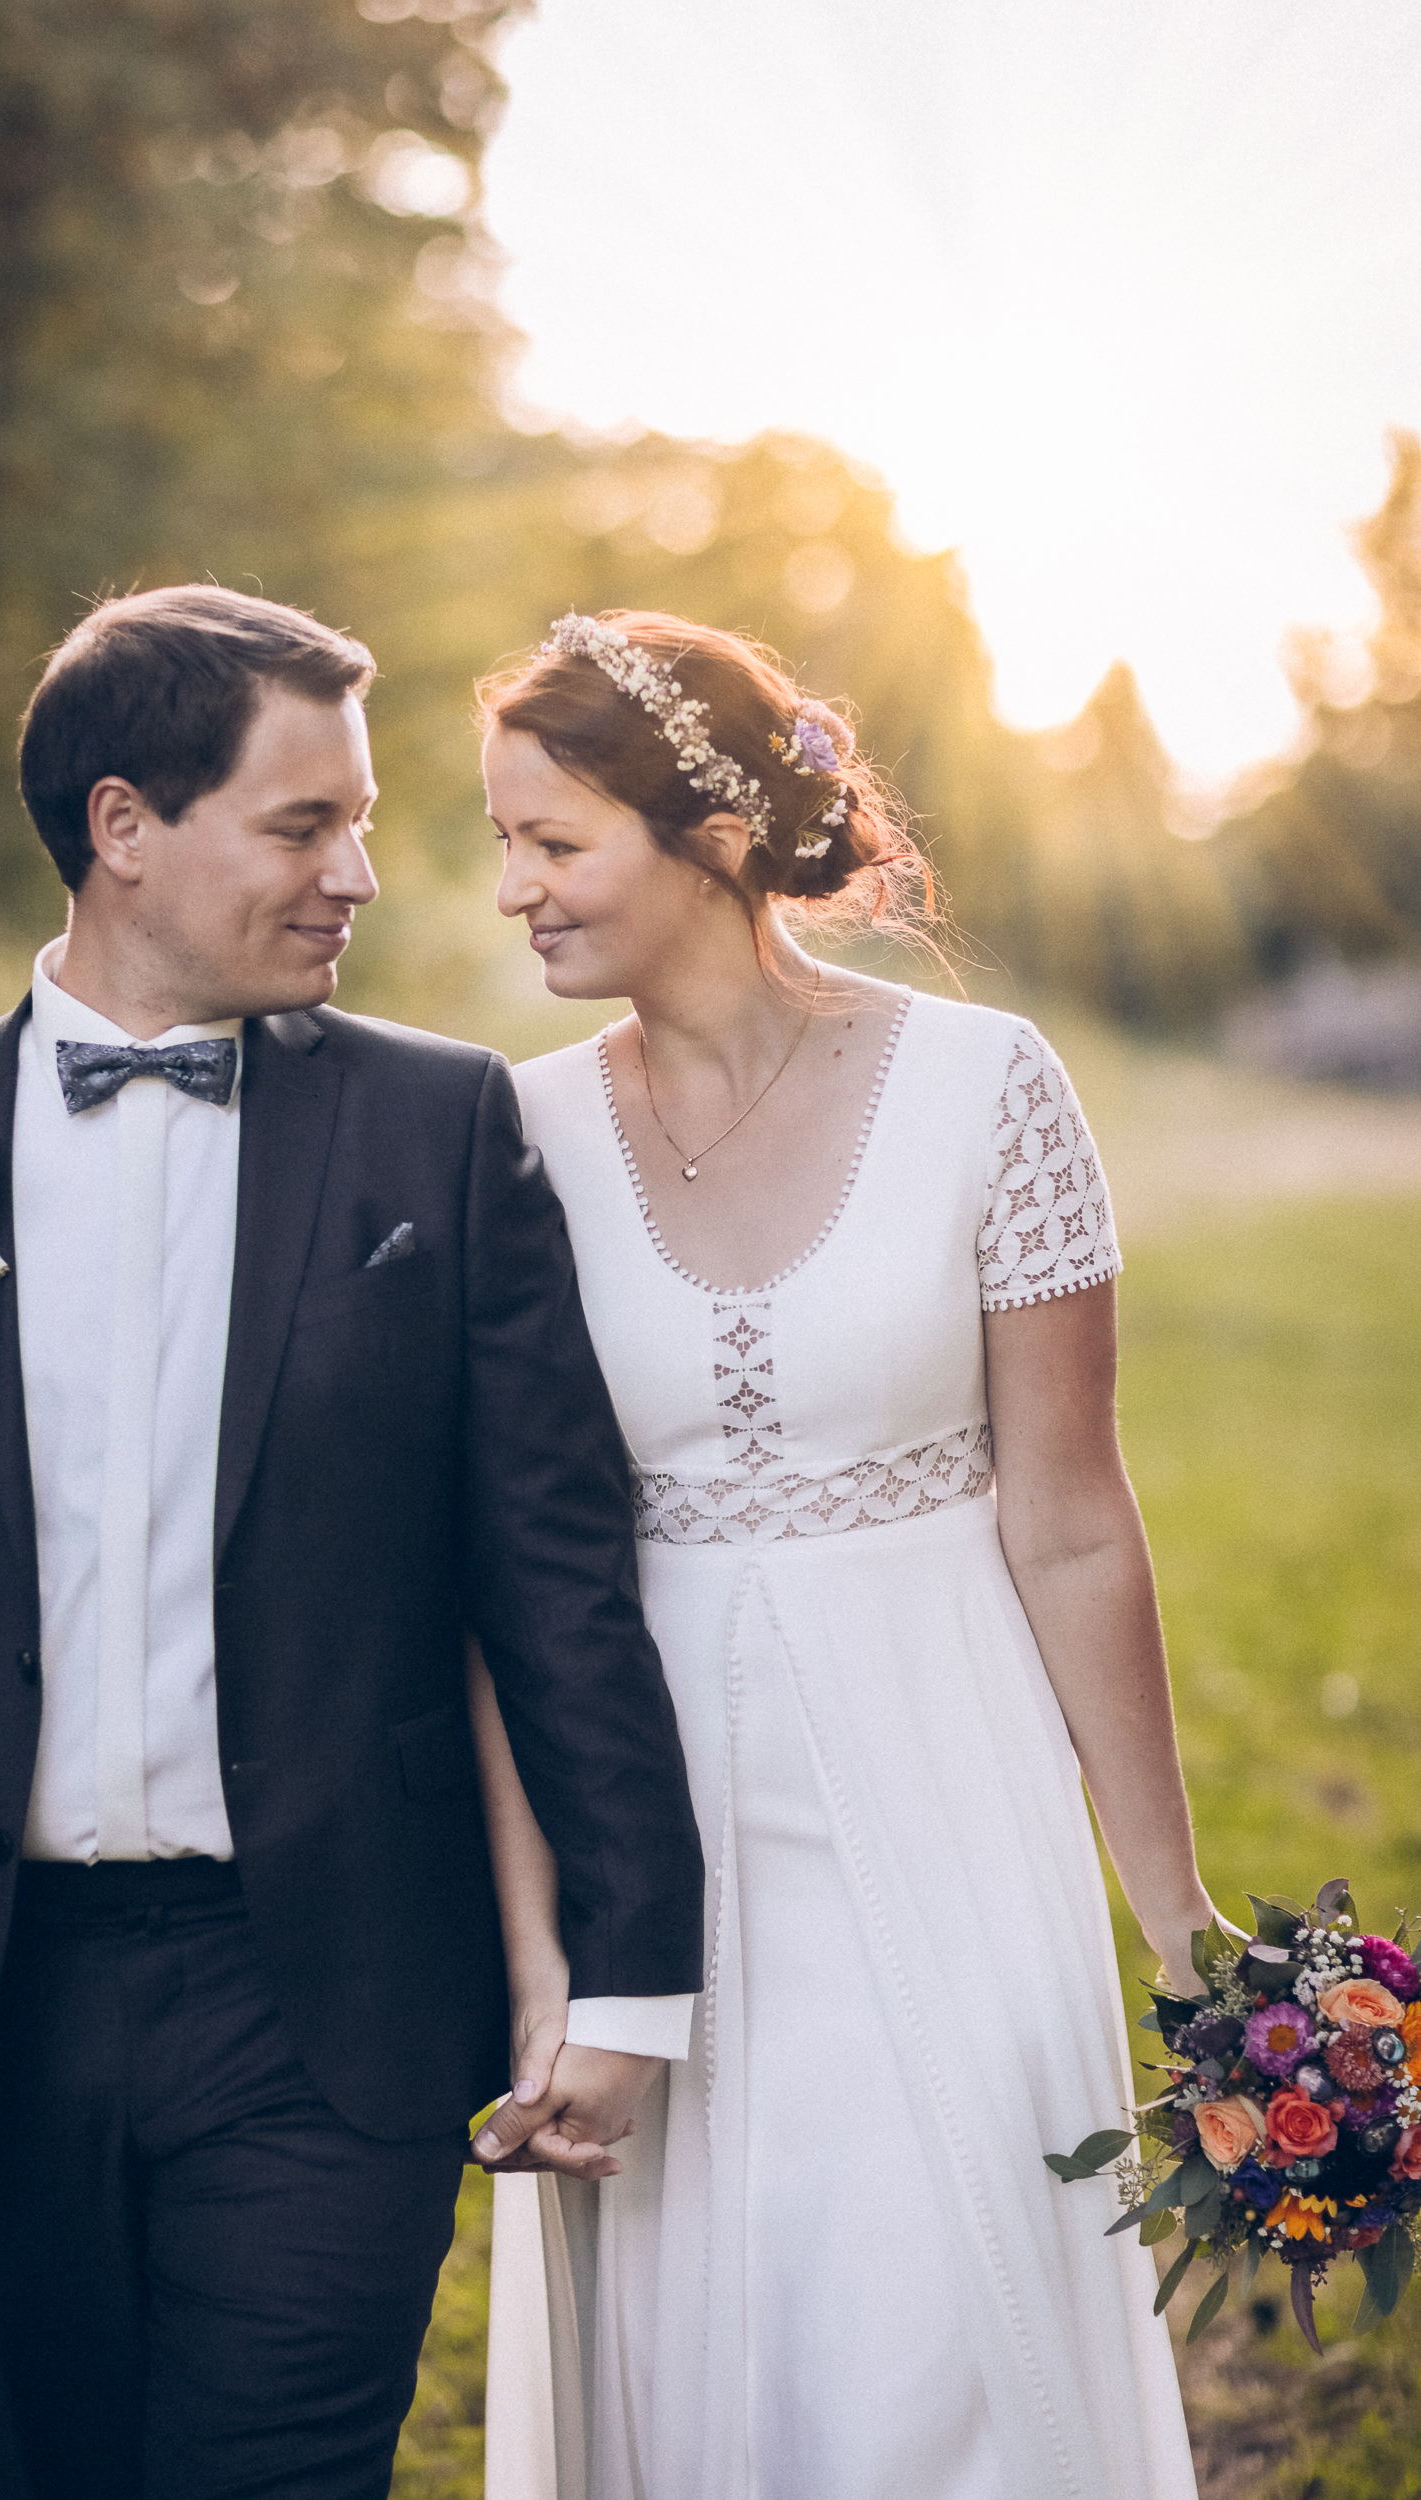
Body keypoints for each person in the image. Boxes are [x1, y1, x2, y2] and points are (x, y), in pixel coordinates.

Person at [0, 585, 706, 2500]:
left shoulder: (439, 1132)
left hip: (327, 1992)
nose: (358, 871)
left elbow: (555, 1576)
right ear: (124, 828)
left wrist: (626, 1972)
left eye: (356, 821)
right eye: (303, 825)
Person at [468, 611, 1206, 2499]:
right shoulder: (515, 1141)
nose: (511, 895)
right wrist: (545, 1956)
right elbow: (510, 1586)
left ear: (705, 836)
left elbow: (1067, 1518)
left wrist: (1176, 1919)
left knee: (939, 2334)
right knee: (727, 2349)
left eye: (553, 845)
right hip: (661, 1833)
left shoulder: (988, 1088)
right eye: (503, 848)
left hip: (952, 1782)